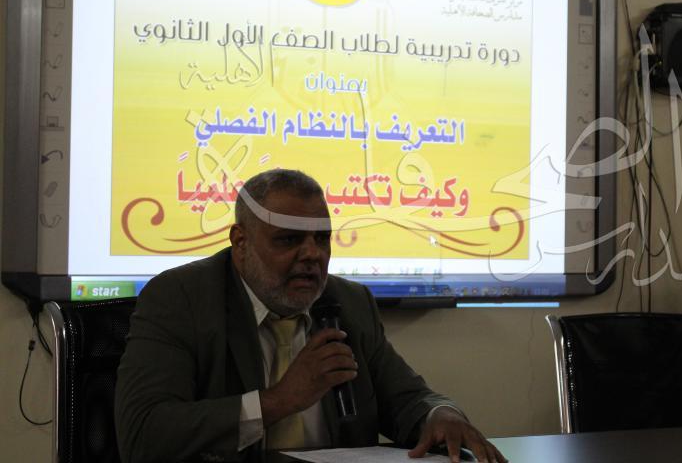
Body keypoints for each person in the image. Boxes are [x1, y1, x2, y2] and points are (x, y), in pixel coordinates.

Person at [115, 169, 506, 463]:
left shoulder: (349, 302)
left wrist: (441, 414)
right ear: (240, 242)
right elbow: (143, 434)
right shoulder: (181, 299)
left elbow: (408, 398)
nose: (312, 255)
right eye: (288, 239)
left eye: (322, 239)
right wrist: (278, 401)